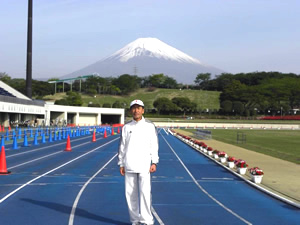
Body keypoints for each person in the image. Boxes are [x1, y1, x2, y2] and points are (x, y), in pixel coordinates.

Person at [118, 99, 159, 225]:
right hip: (129, 164)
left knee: (145, 194)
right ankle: (134, 220)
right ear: (131, 110)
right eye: (134, 108)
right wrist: (121, 163)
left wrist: (154, 162)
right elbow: (122, 146)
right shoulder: (126, 127)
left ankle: (147, 220)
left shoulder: (149, 126)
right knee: (130, 195)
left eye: (138, 108)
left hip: (144, 165)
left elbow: (154, 145)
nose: (136, 110)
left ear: (143, 110)